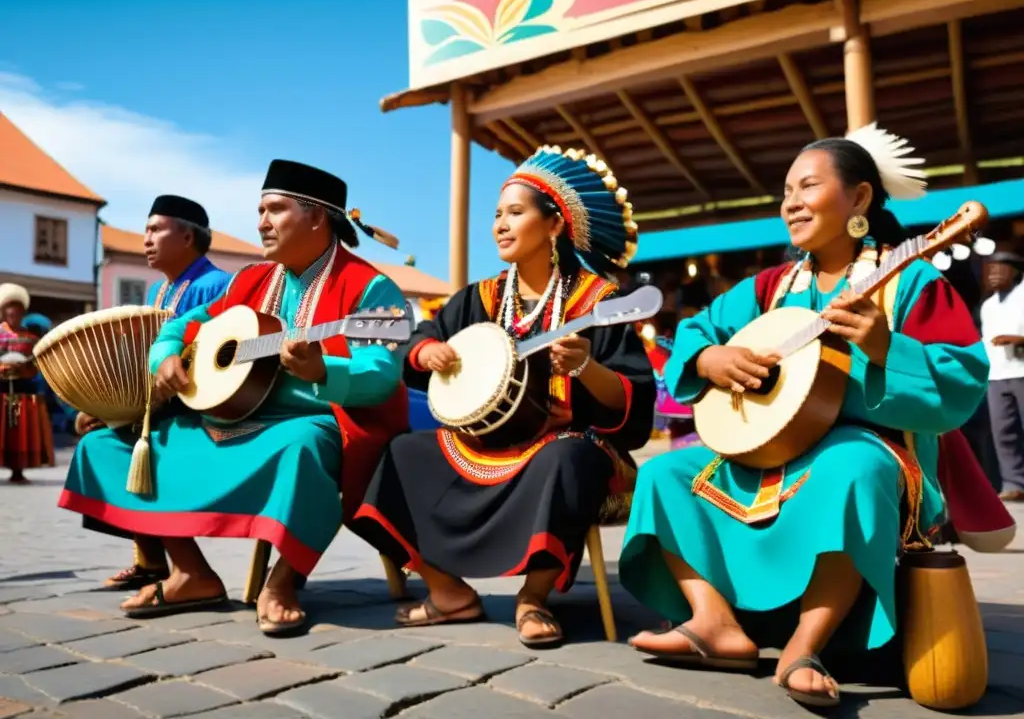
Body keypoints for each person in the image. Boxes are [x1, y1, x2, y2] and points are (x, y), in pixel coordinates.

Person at [618, 124, 989, 708]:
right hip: (768, 453)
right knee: (665, 475)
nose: (790, 202)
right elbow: (694, 333)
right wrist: (711, 357)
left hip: (862, 452)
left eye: (808, 186)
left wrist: (887, 347)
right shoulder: (768, 288)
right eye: (785, 190)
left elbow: (961, 376)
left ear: (860, 199)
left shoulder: (911, 279)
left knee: (851, 468)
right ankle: (714, 620)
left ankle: (804, 645)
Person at [58, 160, 409, 635]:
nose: (261, 221)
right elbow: (184, 325)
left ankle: (283, 580)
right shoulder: (251, 281)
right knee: (111, 442)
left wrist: (324, 367)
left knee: (303, 445)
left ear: (316, 217)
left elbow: (382, 374)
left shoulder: (369, 287)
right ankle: (190, 573)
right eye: (260, 210)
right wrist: (165, 354)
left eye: (274, 209)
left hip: (309, 422)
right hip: (229, 416)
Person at [351, 145, 655, 648]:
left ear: (554, 225)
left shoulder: (600, 302)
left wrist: (585, 367)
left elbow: (632, 402)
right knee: (402, 453)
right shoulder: (480, 297)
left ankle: (533, 598)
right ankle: (447, 591)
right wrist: (427, 351)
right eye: (497, 215)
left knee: (567, 457)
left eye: (516, 213)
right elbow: (420, 337)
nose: (500, 225)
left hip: (561, 442)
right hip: (484, 443)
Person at [81, 195, 232, 593]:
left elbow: (215, 362)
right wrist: (106, 406)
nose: (145, 239)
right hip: (159, 407)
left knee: (128, 445)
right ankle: (149, 560)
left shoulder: (217, 286)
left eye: (154, 229)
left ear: (186, 236)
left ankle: (184, 567)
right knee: (101, 435)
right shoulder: (158, 292)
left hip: (198, 412)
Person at [979, 251, 1024, 501]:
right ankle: (1014, 483)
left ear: (1015, 271)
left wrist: (1019, 340)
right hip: (997, 375)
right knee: (1003, 432)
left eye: (1000, 269)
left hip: (1022, 371)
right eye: (990, 270)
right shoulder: (988, 305)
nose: (993, 274)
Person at [0, 284, 54, 483]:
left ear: (23, 312)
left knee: (20, 432)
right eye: (9, 309)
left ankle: (18, 469)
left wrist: (25, 369)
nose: (13, 313)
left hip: (23, 390)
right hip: (1, 388)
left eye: (17, 309)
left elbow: (38, 364)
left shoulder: (31, 339)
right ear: (4, 312)